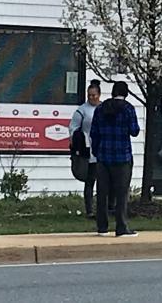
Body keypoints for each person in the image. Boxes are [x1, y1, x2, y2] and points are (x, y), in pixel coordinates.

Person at [90, 81, 140, 237]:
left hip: (103, 155)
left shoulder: (100, 108)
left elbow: (94, 132)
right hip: (122, 156)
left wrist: (97, 150)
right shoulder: (128, 109)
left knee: (102, 192)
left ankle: (102, 227)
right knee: (121, 192)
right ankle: (121, 226)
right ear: (125, 93)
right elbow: (134, 131)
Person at [69, 79, 101, 218]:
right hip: (88, 149)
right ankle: (89, 210)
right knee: (89, 180)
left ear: (99, 94)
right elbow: (73, 129)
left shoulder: (104, 108)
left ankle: (104, 208)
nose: (92, 98)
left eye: (94, 95)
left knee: (103, 181)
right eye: (90, 95)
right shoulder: (82, 111)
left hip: (102, 149)